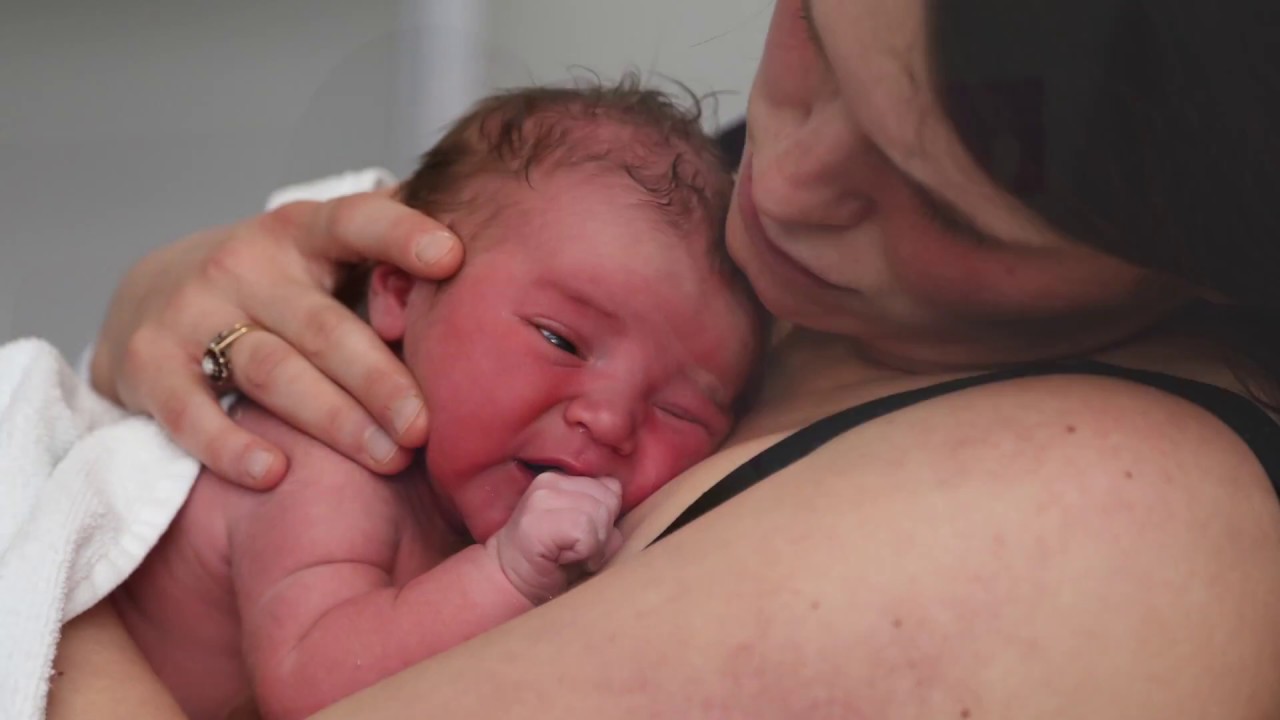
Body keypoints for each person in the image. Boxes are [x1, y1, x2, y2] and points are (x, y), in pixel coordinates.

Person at [51, 0, 1280, 717]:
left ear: (1210, 264)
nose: (780, 188)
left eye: (948, 211)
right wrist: (172, 311)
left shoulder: (1109, 527)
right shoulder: (684, 217)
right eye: (813, 33)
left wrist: (71, 610)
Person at [107, 81, 765, 720]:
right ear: (401, 291)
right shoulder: (320, 456)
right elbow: (312, 686)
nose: (612, 420)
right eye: (560, 340)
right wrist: (509, 575)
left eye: (681, 411)